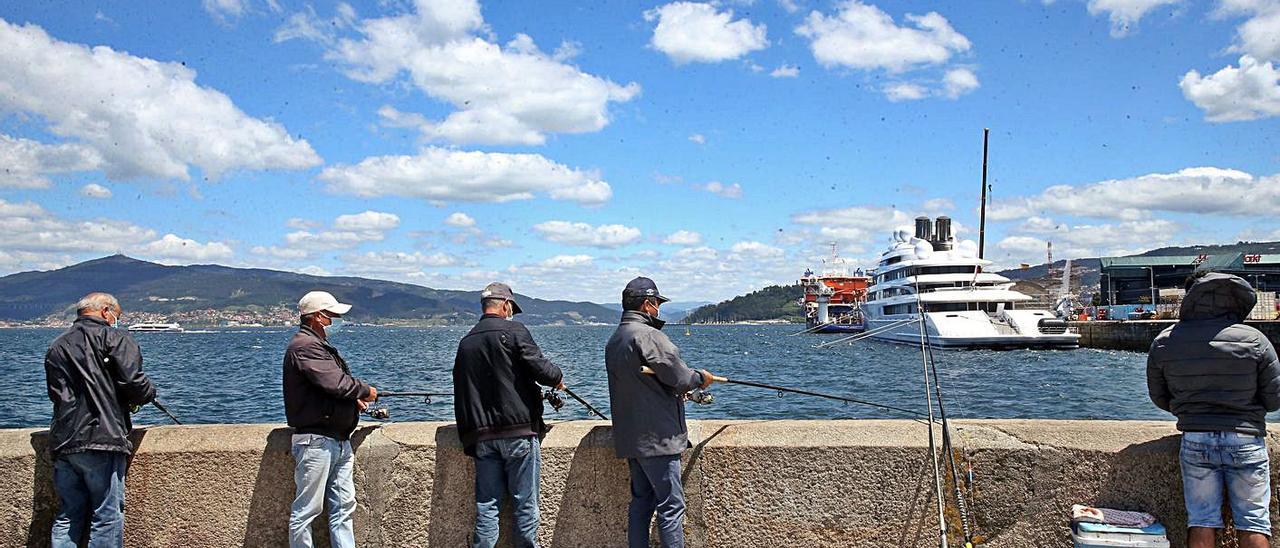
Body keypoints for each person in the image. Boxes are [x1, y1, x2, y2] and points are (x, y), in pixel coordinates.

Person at [1148, 272, 1280, 548]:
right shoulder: (1255, 340)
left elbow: (1160, 397)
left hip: (1196, 439)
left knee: (1202, 520)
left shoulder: (1165, 340)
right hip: (1245, 439)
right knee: (1254, 522)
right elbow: (1274, 399)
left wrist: (1189, 410)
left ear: (1191, 299)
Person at [605, 277, 717, 548]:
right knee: (671, 506)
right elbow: (679, 377)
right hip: (658, 438)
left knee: (641, 503)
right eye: (657, 304)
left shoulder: (616, 339)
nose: (658, 310)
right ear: (648, 304)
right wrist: (700, 377)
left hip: (632, 438)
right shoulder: (648, 335)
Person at [453, 282, 564, 548]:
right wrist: (557, 377)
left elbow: (460, 389)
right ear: (505, 305)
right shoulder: (514, 331)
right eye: (511, 307)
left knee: (487, 506)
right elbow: (542, 370)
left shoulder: (466, 341)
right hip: (518, 432)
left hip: (482, 436)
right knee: (525, 504)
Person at [44, 292, 157, 548]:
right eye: (117, 315)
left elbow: (56, 393)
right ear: (106, 312)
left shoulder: (57, 345)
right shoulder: (116, 338)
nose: (117, 320)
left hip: (64, 440)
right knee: (106, 514)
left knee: (68, 514)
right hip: (102, 438)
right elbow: (133, 383)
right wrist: (150, 392)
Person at [283, 291, 378, 548]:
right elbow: (335, 382)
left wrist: (350, 401)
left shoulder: (315, 346)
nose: (335, 321)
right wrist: (365, 391)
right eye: (332, 316)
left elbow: (323, 388)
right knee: (306, 510)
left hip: (337, 439)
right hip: (316, 441)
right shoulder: (305, 346)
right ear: (316, 317)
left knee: (344, 506)